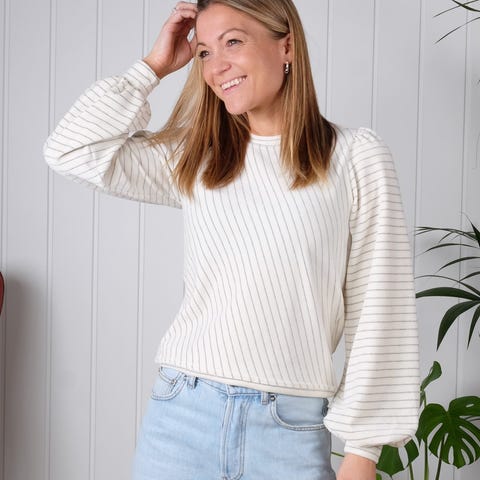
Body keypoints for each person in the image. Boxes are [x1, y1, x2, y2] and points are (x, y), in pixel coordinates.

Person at [44, 0, 420, 479]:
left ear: (286, 46)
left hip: (290, 431)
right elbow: (69, 150)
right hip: (181, 418)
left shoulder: (354, 157)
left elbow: (380, 307)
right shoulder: (196, 156)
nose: (216, 66)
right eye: (204, 52)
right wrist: (154, 66)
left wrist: (362, 451)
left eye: (233, 42)